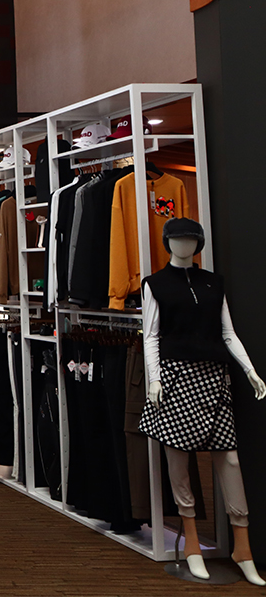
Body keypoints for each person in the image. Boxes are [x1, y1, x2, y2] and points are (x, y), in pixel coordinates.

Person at [139, 218, 266, 585]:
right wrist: (154, 379)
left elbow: (228, 332)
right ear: (168, 243)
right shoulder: (155, 284)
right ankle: (192, 544)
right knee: (178, 459)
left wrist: (250, 370)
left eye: (191, 240)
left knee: (229, 458)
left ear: (200, 243)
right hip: (176, 378)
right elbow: (151, 336)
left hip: (214, 377)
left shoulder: (213, 282)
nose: (185, 246)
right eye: (178, 239)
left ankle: (243, 548)